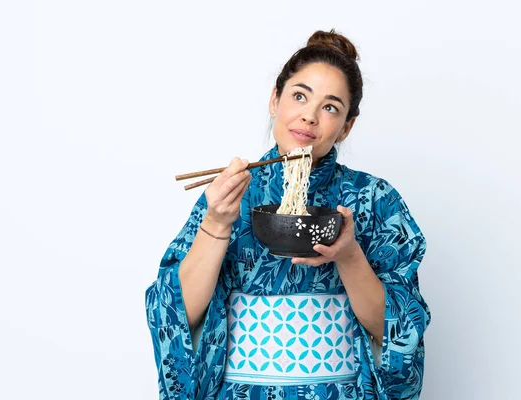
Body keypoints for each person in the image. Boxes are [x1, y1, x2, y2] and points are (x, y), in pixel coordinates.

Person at [145, 29, 431, 400]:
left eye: (330, 107)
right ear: (274, 101)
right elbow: (175, 316)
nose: (309, 116)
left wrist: (349, 256)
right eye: (299, 96)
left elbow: (400, 331)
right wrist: (216, 224)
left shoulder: (376, 199)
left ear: (347, 126)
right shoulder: (231, 196)